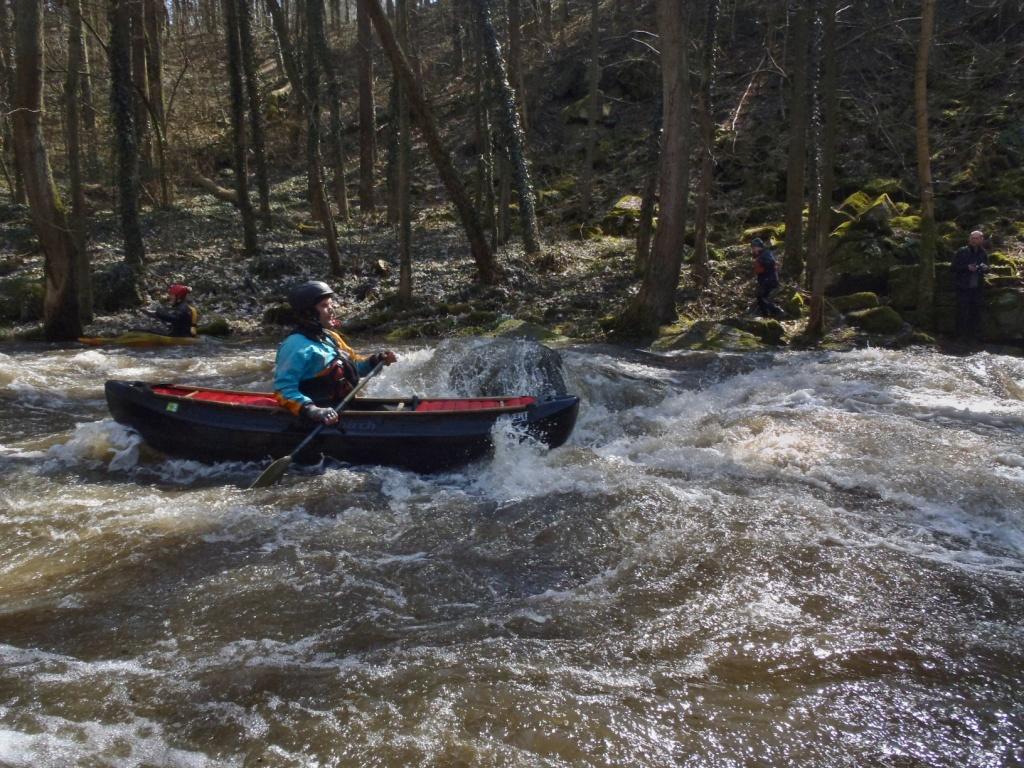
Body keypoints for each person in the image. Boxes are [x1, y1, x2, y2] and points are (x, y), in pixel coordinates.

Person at [274, 280, 397, 424]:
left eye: (331, 304)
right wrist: (312, 410)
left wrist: (376, 359)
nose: (332, 310)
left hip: (342, 406)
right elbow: (283, 390)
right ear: (308, 312)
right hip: (318, 416)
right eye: (324, 306)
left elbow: (355, 365)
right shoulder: (295, 346)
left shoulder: (330, 337)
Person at [952, 230, 988, 341]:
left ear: (982, 239)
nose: (973, 240)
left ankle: (974, 336)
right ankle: (960, 336)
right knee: (962, 312)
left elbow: (987, 266)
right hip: (963, 287)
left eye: (976, 238)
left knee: (976, 312)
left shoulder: (983, 253)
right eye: (972, 238)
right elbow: (953, 268)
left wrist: (986, 268)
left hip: (977, 287)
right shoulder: (962, 251)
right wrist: (967, 268)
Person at [751, 238, 783, 318]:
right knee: (760, 298)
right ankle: (766, 316)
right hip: (766, 280)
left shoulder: (765, 254)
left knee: (762, 298)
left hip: (769, 280)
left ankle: (777, 311)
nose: (753, 249)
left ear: (758, 247)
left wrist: (762, 264)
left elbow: (771, 263)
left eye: (754, 247)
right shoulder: (762, 254)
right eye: (752, 248)